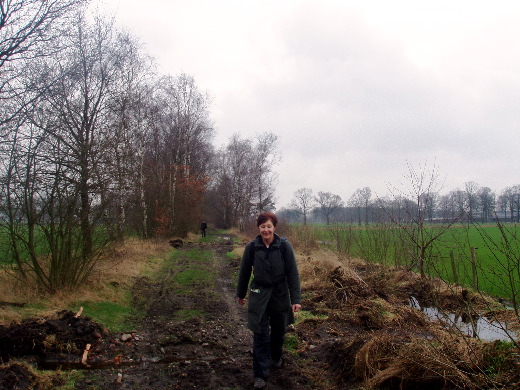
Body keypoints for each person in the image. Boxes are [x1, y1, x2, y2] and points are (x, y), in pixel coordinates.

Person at [236, 212, 301, 389]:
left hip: (280, 294)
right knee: (260, 334)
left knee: (279, 330)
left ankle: (276, 355)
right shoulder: (252, 247)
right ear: (259, 228)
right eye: (263, 226)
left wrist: (296, 299)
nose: (266, 230)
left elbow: (293, 274)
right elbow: (244, 272)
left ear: (274, 228)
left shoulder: (284, 247)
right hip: (259, 294)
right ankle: (260, 375)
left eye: (269, 226)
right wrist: (241, 294)